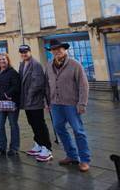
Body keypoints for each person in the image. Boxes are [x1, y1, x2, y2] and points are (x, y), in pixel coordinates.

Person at [45, 39, 91, 172]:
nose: (57, 51)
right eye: (54, 49)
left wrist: (82, 103)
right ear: (51, 52)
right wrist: (47, 102)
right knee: (59, 128)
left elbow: (83, 85)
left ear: (64, 49)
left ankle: (85, 160)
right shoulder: (48, 65)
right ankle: (71, 155)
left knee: (78, 131)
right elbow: (46, 85)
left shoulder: (74, 64)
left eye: (59, 48)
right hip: (55, 104)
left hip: (72, 104)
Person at [18, 44, 53, 162]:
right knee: (32, 123)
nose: (24, 54)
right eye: (22, 52)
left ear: (30, 52)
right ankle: (38, 144)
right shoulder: (22, 64)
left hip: (35, 101)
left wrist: (28, 97)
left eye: (26, 52)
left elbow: (37, 84)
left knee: (39, 124)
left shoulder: (36, 64)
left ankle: (46, 148)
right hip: (27, 102)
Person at [0, 53, 20, 156]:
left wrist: (7, 94)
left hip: (11, 102)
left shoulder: (13, 72)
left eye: (3, 59)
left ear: (7, 60)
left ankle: (14, 148)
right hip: (0, 103)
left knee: (13, 125)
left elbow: (16, 86)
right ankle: (2, 146)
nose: (2, 61)